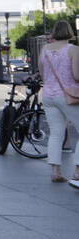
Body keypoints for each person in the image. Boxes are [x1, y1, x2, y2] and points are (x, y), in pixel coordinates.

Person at [37, 20, 79, 188]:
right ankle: (77, 170)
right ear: (69, 32)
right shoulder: (74, 50)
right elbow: (76, 75)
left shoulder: (45, 50)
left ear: (54, 32)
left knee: (56, 134)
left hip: (48, 95)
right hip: (68, 96)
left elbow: (42, 73)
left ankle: (56, 171)